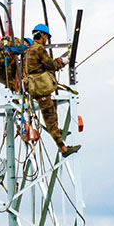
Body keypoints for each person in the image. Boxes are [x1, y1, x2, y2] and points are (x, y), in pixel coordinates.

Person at [23, 23, 80, 157]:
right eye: (46, 37)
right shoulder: (39, 49)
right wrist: (64, 61)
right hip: (40, 88)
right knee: (50, 118)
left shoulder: (28, 51)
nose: (47, 40)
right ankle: (63, 148)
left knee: (52, 107)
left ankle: (57, 132)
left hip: (33, 87)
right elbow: (51, 65)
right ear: (42, 35)